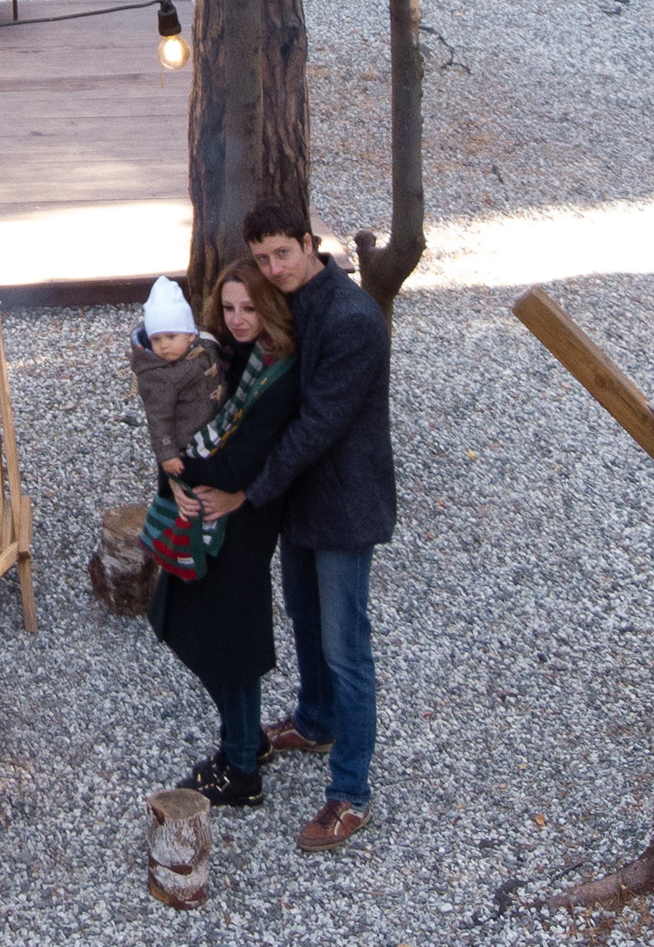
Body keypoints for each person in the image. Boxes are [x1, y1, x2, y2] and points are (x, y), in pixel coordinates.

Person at [191, 198, 396, 853]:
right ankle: (315, 720)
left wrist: (248, 492)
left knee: (345, 645)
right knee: (305, 622)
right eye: (262, 259)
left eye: (283, 253)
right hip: (299, 503)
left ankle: (350, 793)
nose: (273, 268)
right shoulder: (288, 303)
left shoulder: (352, 319)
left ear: (311, 243)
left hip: (341, 505)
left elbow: (315, 428)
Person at [143, 262, 300, 809]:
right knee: (189, 624)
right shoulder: (224, 355)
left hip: (244, 521)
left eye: (249, 308)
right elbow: (176, 416)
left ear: (270, 310)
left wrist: (189, 476)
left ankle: (241, 769)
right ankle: (245, 738)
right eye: (229, 308)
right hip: (208, 509)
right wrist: (175, 475)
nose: (237, 319)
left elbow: (242, 458)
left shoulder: (278, 371)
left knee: (230, 644)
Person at [126, 273, 222, 485]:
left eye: (171, 337)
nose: (164, 345)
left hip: (212, 426)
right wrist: (167, 453)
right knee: (191, 486)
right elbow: (159, 417)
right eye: (156, 339)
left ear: (190, 335)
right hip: (186, 444)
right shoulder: (158, 376)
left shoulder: (202, 346)